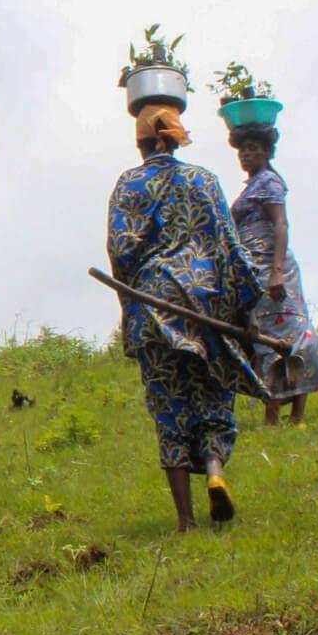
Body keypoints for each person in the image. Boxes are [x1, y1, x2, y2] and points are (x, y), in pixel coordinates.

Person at [107, 103, 265, 530]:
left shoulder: (129, 184)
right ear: (175, 142)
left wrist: (135, 299)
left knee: (169, 407)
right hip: (205, 306)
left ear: (142, 145)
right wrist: (247, 307)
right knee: (212, 398)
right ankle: (214, 471)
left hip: (154, 307)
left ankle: (185, 520)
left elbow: (120, 250)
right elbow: (231, 245)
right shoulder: (205, 180)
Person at [227, 124, 318, 424]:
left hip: (271, 267)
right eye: (243, 150)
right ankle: (280, 415)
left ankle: (284, 417)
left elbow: (280, 224)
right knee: (267, 337)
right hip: (254, 267)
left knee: (284, 337)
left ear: (267, 152)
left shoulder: (269, 182)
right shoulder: (252, 186)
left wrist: (276, 272)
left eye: (253, 148)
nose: (246, 154)